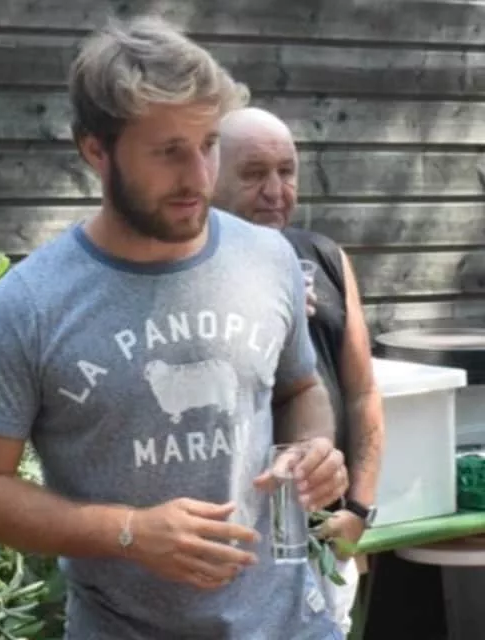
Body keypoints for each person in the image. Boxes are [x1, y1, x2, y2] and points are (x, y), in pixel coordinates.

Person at [0, 16, 349, 640]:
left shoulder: (268, 258)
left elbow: (300, 388)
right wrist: (128, 531)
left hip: (295, 624)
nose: (198, 177)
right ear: (95, 150)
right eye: (168, 152)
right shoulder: (27, 305)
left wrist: (313, 450)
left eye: (208, 144)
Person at [214, 107, 385, 635]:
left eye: (286, 172)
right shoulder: (186, 273)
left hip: (318, 533)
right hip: (234, 547)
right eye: (253, 174)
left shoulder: (324, 257)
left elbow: (362, 393)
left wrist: (359, 510)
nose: (275, 191)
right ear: (209, 176)